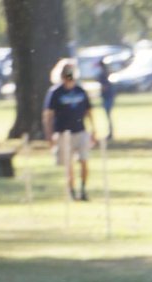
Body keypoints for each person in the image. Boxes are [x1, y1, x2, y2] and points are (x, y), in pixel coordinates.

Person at [42, 60, 97, 201]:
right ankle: (72, 191)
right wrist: (49, 135)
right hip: (63, 133)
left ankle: (83, 189)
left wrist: (94, 129)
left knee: (84, 160)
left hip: (80, 131)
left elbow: (89, 110)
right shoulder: (55, 92)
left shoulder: (80, 90)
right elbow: (48, 115)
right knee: (69, 164)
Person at [97, 58, 116, 141]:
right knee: (108, 116)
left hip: (106, 97)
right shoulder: (108, 73)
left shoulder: (102, 75)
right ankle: (110, 133)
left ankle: (110, 133)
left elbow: (104, 87)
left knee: (108, 116)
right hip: (110, 96)